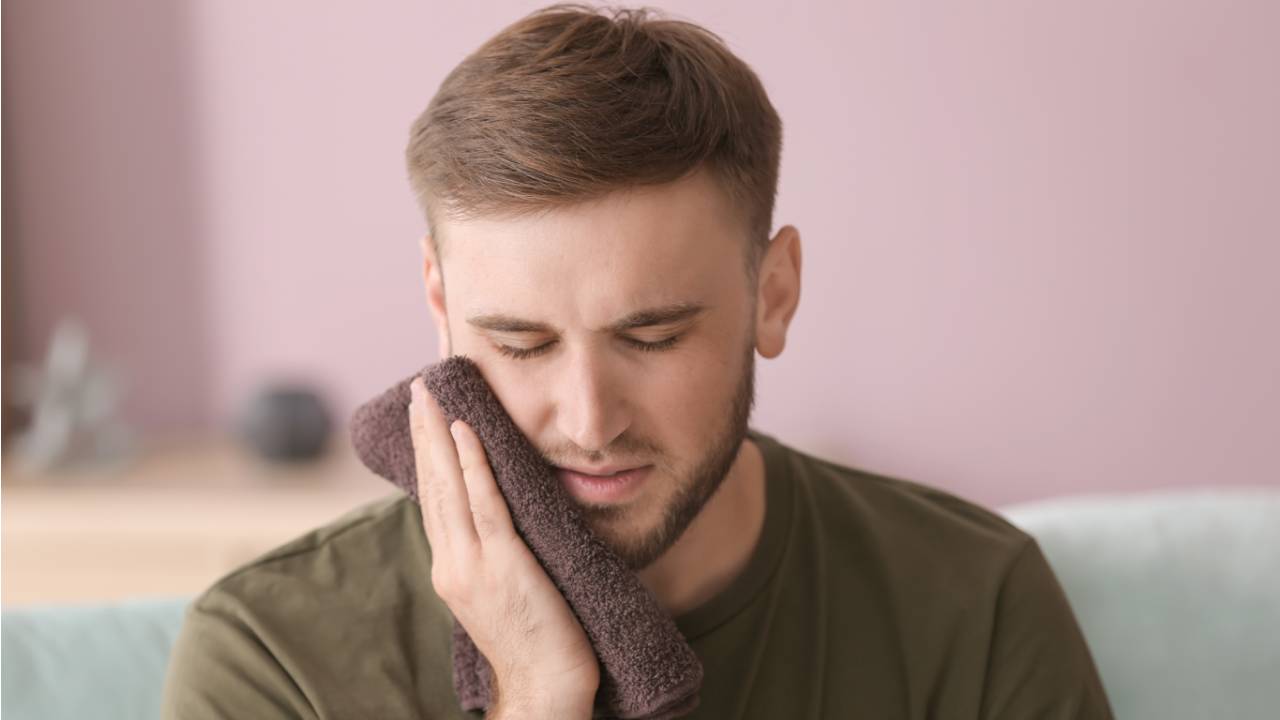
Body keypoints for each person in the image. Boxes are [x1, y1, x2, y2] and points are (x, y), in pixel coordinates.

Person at [161, 4, 1114, 718]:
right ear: (441, 304)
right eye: (520, 342)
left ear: (773, 293)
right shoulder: (270, 658)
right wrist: (537, 696)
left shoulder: (970, 603)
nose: (588, 418)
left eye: (652, 338)